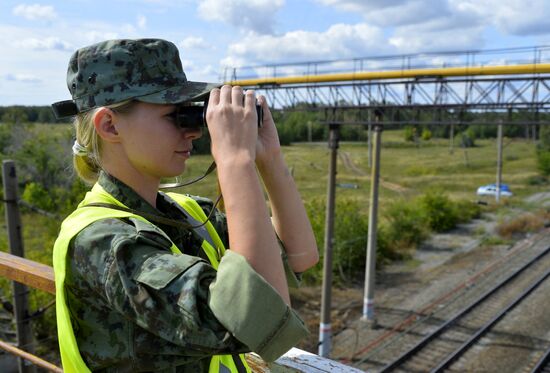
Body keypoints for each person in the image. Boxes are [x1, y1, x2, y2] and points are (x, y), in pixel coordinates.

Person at [51, 38, 318, 372]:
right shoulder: (105, 243)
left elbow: (299, 256)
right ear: (110, 125)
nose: (193, 131)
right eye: (174, 115)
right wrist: (235, 162)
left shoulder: (184, 213)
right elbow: (260, 319)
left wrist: (270, 158)